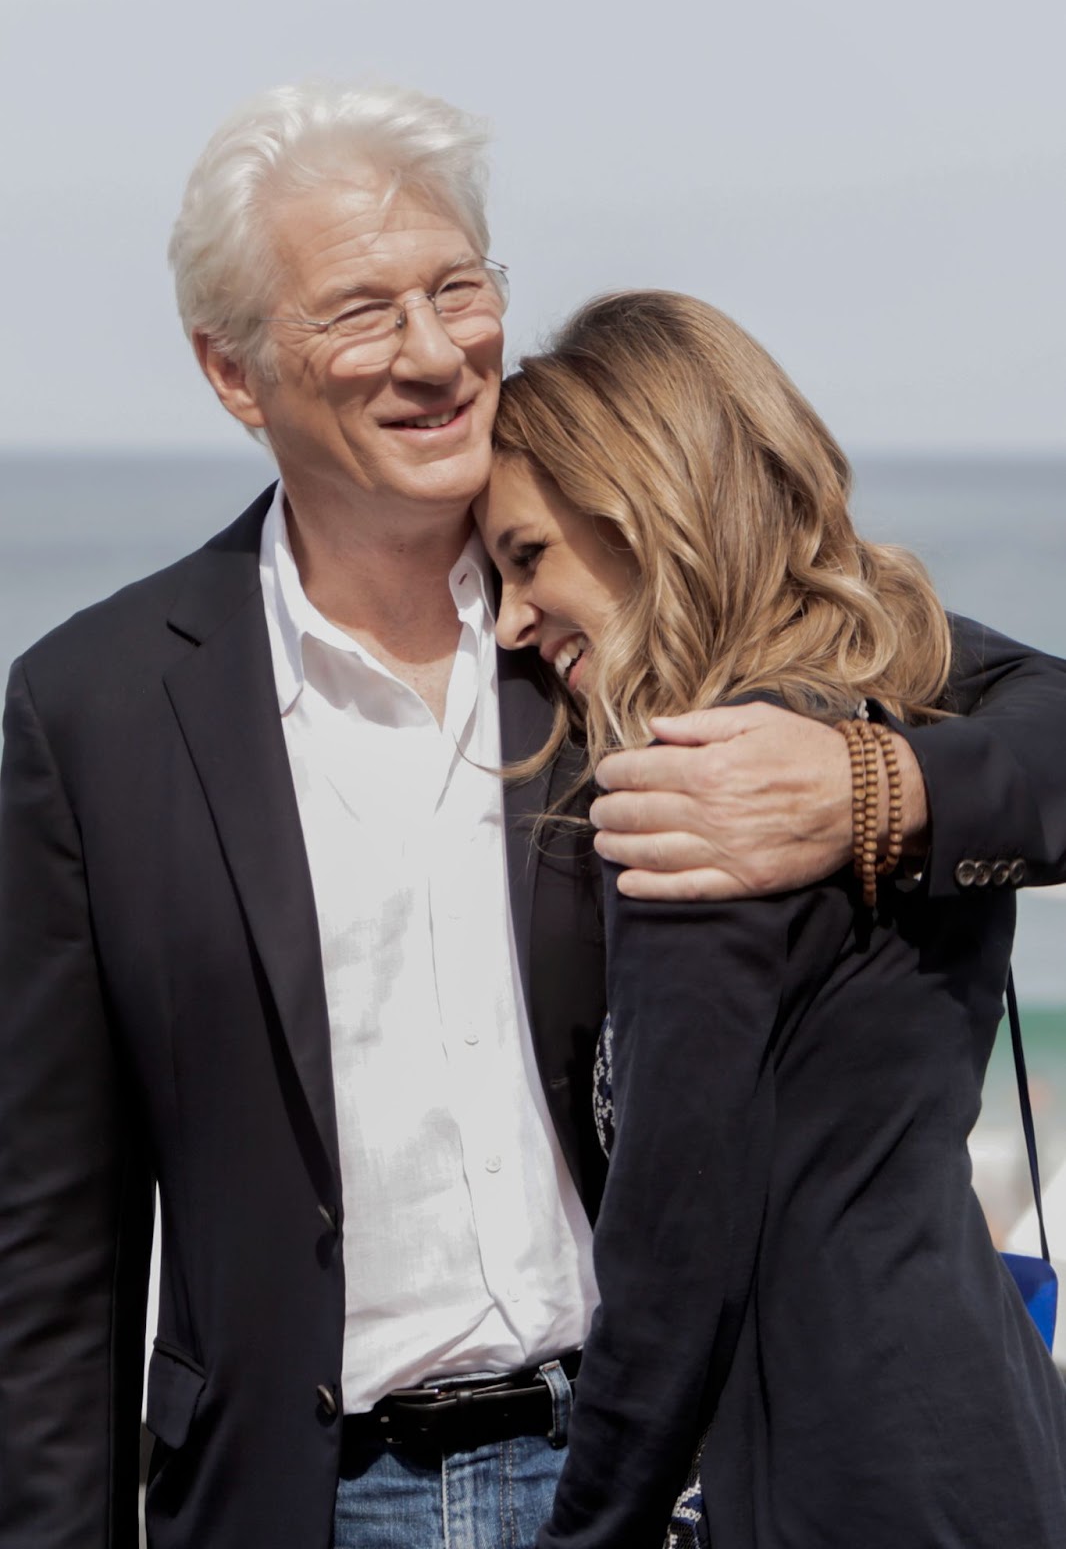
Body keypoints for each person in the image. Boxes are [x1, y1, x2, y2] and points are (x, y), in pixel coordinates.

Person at [0, 83, 1065, 1549]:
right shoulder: (94, 707)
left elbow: (1039, 717)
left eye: (458, 288)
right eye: (364, 310)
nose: (437, 352)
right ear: (235, 374)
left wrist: (868, 788)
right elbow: (55, 1244)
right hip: (302, 1502)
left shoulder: (620, 614)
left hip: (658, 1474)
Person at [478, 288, 1066, 1549]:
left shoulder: (714, 786)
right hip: (982, 1437)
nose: (514, 620)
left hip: (823, 1476)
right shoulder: (879, 687)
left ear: (638, 502)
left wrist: (587, 1533)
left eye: (527, 556)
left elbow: (671, 1257)